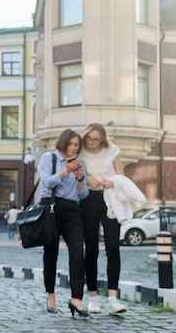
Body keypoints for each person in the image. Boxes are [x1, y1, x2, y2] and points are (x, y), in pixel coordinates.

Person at [37, 128, 89, 317]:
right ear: (63, 143)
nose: (73, 147)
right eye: (71, 144)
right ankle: (50, 295)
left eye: (76, 145)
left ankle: (76, 298)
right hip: (52, 207)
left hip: (73, 210)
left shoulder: (80, 163)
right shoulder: (49, 158)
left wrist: (80, 177)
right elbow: (46, 182)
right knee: (51, 253)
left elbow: (84, 194)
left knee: (77, 252)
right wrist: (66, 171)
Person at [78, 122, 128, 314]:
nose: (91, 142)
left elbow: (121, 176)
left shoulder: (113, 151)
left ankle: (113, 299)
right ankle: (93, 298)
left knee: (113, 247)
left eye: (96, 139)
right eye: (89, 138)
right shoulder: (80, 151)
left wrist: (112, 182)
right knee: (91, 249)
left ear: (103, 139)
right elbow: (75, 173)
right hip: (88, 200)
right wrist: (85, 177)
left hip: (110, 198)